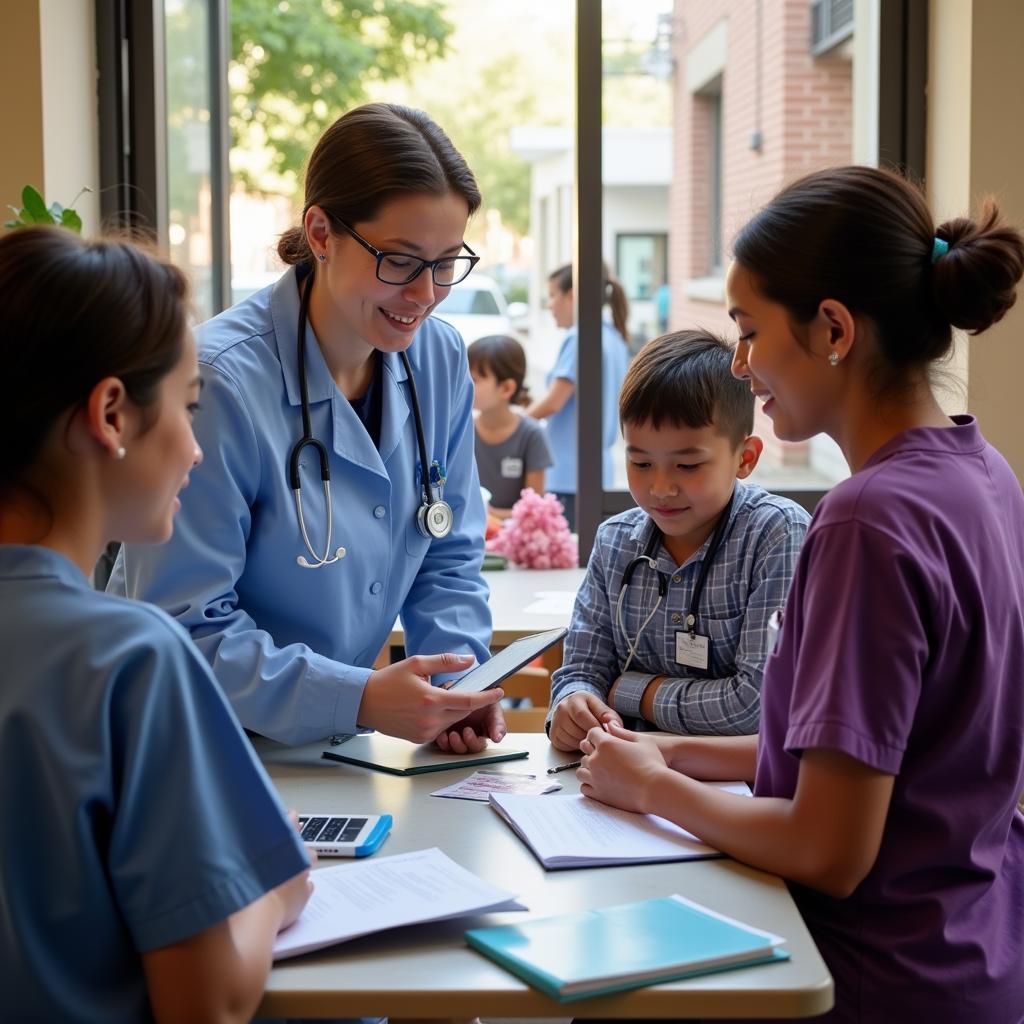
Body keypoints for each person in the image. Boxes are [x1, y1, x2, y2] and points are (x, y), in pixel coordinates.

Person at [577, 167, 1024, 1023]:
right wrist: (673, 755)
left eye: (748, 332)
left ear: (832, 329)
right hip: (977, 946)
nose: (741, 366)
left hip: (874, 976)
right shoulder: (983, 472)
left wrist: (655, 792)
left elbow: (829, 847)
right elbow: (879, 763)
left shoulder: (867, 519)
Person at [110, 102, 505, 752]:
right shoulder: (218, 383)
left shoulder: (438, 359)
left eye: (446, 263)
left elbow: (449, 557)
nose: (427, 293)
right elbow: (186, 627)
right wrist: (361, 698)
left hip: (340, 747)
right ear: (321, 233)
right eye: (402, 261)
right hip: (201, 745)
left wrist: (453, 684)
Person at [0, 227, 313, 1022]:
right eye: (189, 405)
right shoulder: (127, 659)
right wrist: (281, 886)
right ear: (110, 413)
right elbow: (206, 1003)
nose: (196, 451)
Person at [548, 331, 810, 751]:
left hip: (736, 792)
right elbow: (581, 669)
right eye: (641, 462)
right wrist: (573, 704)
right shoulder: (616, 542)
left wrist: (630, 692)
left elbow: (756, 706)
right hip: (618, 780)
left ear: (745, 458)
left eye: (687, 465)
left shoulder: (776, 536)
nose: (661, 487)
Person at [526, 263, 630, 531]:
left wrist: (513, 424)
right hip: (597, 472)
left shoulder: (580, 337)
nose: (549, 305)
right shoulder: (614, 338)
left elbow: (554, 401)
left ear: (572, 294)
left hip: (569, 476)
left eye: (552, 295)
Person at [468, 334, 553, 518]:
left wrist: (488, 514)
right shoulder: (463, 430)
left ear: (506, 388)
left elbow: (534, 510)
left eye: (474, 379)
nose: (464, 384)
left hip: (515, 541)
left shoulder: (531, 435)